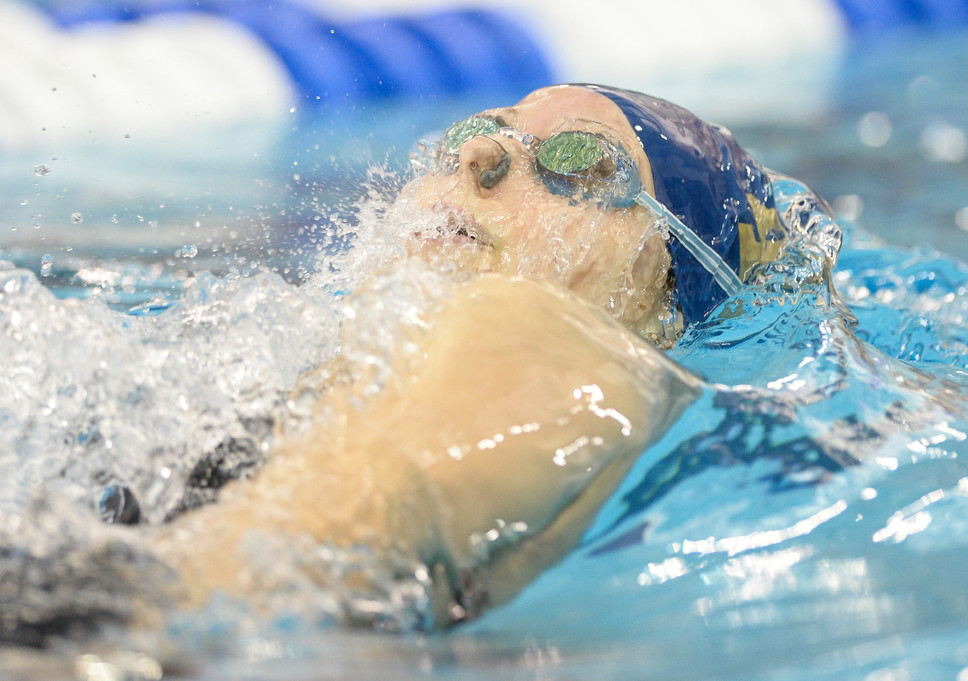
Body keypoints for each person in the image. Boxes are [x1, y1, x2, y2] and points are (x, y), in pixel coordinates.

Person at [135, 85, 814, 634]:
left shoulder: (547, 329)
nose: (479, 153)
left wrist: (79, 620)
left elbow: (269, 561)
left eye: (578, 159)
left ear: (665, 290)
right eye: (472, 131)